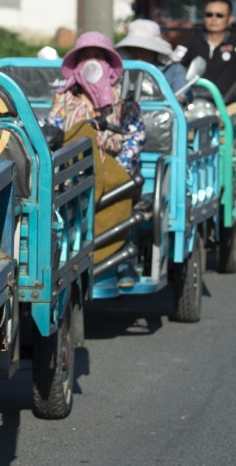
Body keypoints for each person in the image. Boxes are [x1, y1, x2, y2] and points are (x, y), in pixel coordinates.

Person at [45, 32, 145, 288]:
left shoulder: (123, 102)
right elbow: (53, 130)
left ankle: (122, 262)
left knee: (122, 196)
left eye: (98, 57)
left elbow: (134, 137)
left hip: (114, 171)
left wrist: (117, 169)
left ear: (109, 65)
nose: (92, 63)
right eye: (86, 57)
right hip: (72, 168)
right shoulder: (64, 98)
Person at [179, 0, 236, 99]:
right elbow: (173, 64)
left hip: (228, 107)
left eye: (219, 15)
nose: (213, 19)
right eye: (209, 15)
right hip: (196, 105)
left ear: (230, 19)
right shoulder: (192, 41)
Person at [115, 18, 187, 94]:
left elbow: (180, 98)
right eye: (132, 48)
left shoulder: (174, 70)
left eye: (143, 49)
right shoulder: (116, 69)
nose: (137, 53)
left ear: (154, 51)